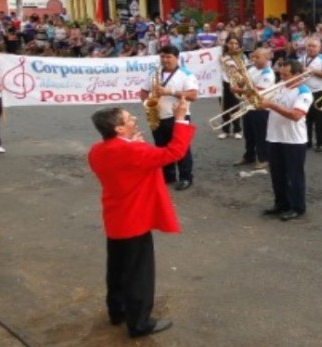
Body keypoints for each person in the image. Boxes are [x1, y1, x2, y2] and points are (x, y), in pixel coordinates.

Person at [87, 96, 195, 338]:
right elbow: (175, 151)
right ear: (119, 129)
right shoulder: (133, 150)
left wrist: (131, 144)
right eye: (128, 119)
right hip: (135, 221)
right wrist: (180, 119)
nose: (134, 119)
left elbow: (124, 162)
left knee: (117, 269)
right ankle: (139, 323)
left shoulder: (97, 150)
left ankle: (118, 312)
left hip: (115, 218)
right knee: (139, 276)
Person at [259, 60, 313, 221]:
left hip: (294, 139)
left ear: (297, 75)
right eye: (280, 74)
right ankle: (281, 203)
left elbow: (296, 116)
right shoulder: (280, 87)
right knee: (277, 174)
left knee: (294, 175)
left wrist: (271, 104)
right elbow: (265, 105)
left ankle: (297, 206)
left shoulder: (304, 92)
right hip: (275, 136)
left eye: (286, 75)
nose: (282, 77)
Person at [140, 45, 199, 191]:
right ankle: (168, 176)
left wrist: (170, 91)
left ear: (177, 58)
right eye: (162, 57)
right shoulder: (154, 72)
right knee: (162, 147)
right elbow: (143, 91)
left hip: (178, 115)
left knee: (182, 148)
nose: (165, 60)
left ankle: (186, 177)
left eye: (168, 57)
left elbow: (193, 95)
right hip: (158, 116)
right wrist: (148, 105)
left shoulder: (186, 74)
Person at [233, 48, 276, 172]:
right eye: (253, 57)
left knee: (261, 134)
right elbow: (244, 83)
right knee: (249, 133)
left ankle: (264, 159)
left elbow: (257, 90)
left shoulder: (268, 73)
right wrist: (237, 84)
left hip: (260, 107)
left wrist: (239, 90)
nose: (254, 60)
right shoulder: (252, 69)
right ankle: (249, 155)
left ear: (266, 58)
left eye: (258, 57)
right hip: (248, 105)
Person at [302, 37, 322, 152]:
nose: (310, 48)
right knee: (306, 118)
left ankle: (321, 143)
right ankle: (307, 141)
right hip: (305, 92)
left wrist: (312, 71)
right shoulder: (302, 57)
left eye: (313, 46)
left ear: (319, 48)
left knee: (321, 119)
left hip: (320, 91)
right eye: (309, 45)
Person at [218, 35, 248, 139]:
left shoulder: (242, 56)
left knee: (236, 107)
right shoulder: (221, 56)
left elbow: (245, 71)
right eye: (231, 43)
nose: (233, 45)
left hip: (236, 84)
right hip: (224, 84)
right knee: (224, 108)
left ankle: (237, 130)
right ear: (227, 44)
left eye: (236, 43)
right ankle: (225, 130)